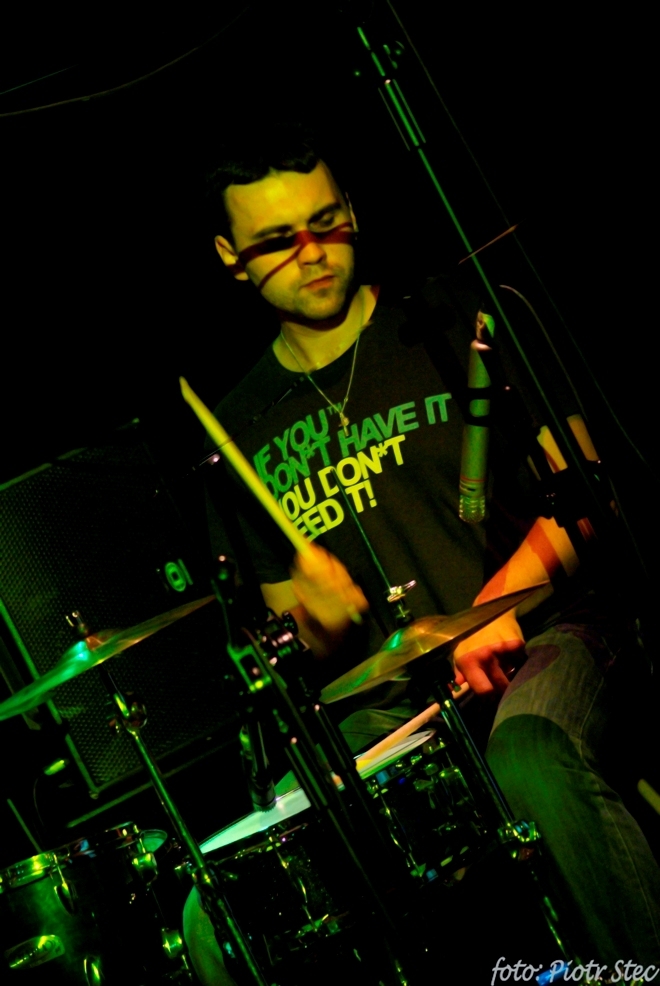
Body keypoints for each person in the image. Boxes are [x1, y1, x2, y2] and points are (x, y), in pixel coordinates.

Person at [184, 124, 660, 981]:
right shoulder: (238, 429)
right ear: (230, 258)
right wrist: (317, 619)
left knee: (527, 755)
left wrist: (498, 607)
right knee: (225, 902)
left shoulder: (455, 319)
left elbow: (588, 484)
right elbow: (297, 642)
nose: (312, 253)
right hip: (394, 707)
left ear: (352, 210)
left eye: (327, 222)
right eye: (277, 240)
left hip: (553, 636)